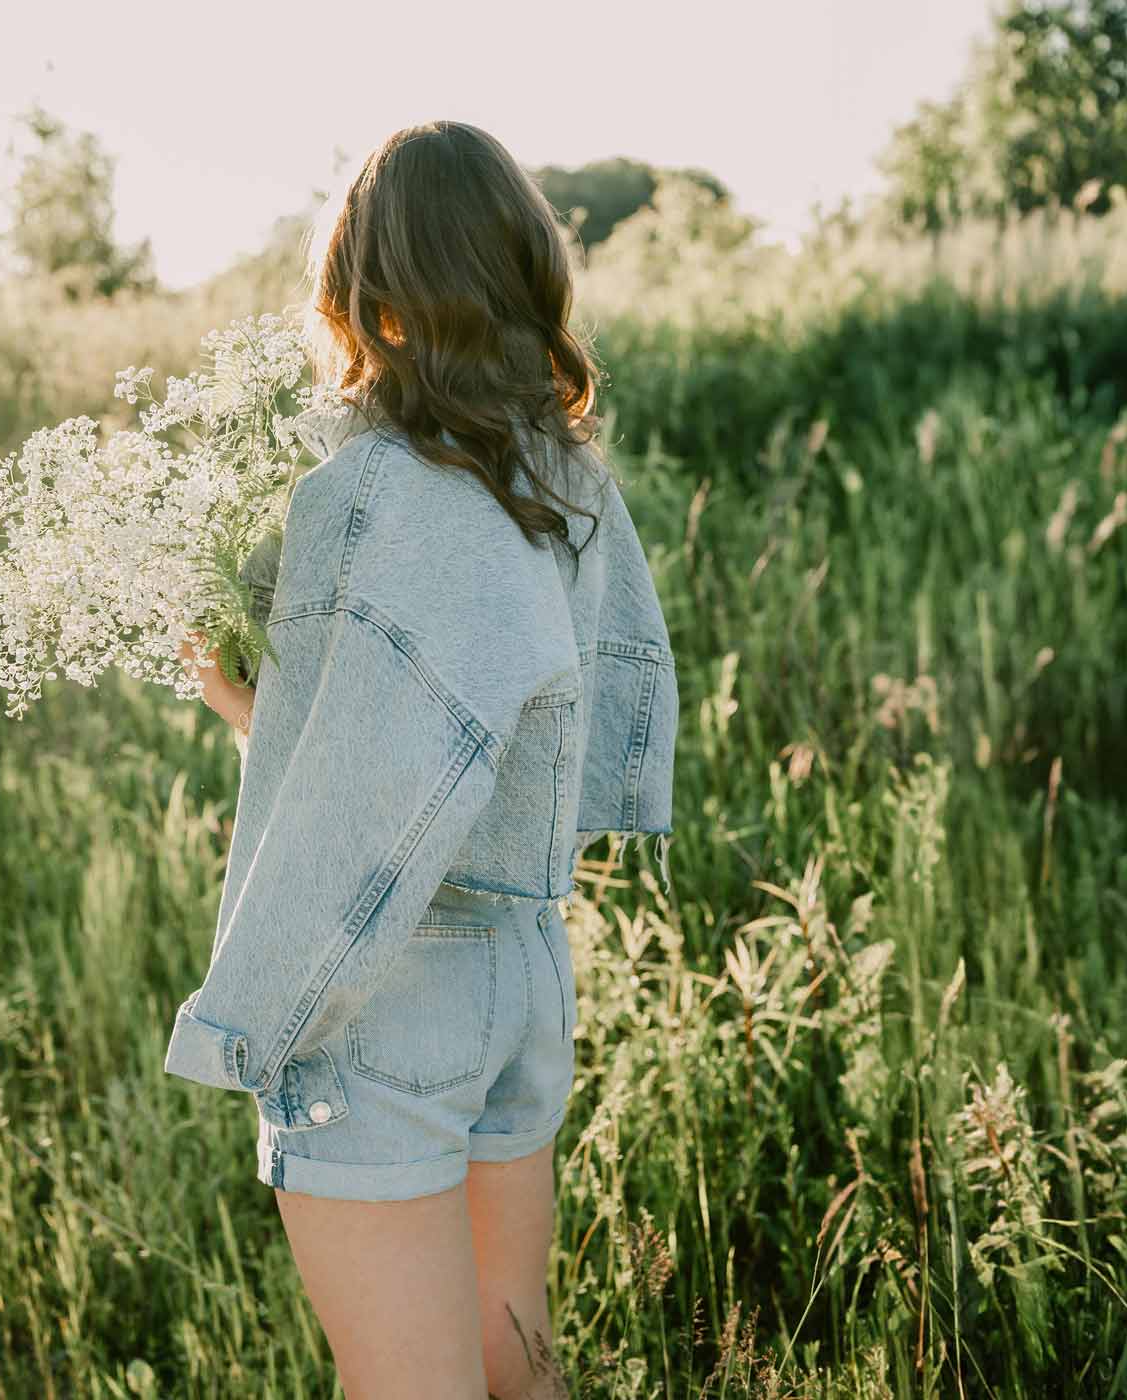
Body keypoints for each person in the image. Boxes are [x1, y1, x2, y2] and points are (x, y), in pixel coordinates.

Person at [167, 120, 678, 1400]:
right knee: (517, 1358)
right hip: (522, 961)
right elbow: (471, 743)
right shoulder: (561, 475)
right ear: (519, 269)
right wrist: (261, 703)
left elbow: (364, 791)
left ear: (367, 293)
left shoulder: (369, 491)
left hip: (393, 985)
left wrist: (259, 1017)